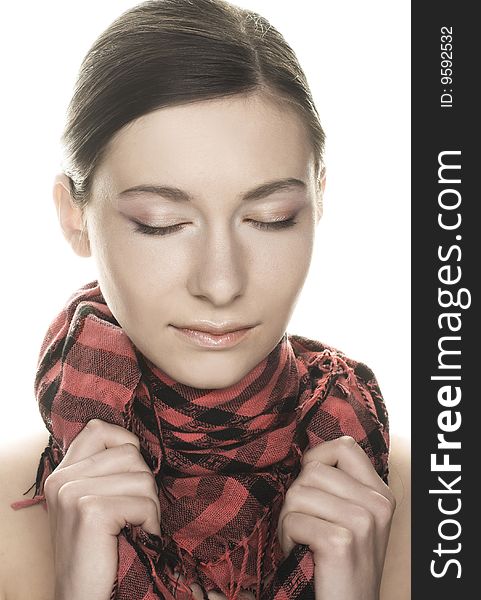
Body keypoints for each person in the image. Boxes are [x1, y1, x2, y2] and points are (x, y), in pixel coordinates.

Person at [0, 1, 410, 599]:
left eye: (271, 219)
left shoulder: (437, 507)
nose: (221, 284)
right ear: (75, 218)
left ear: (318, 200)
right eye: (161, 223)